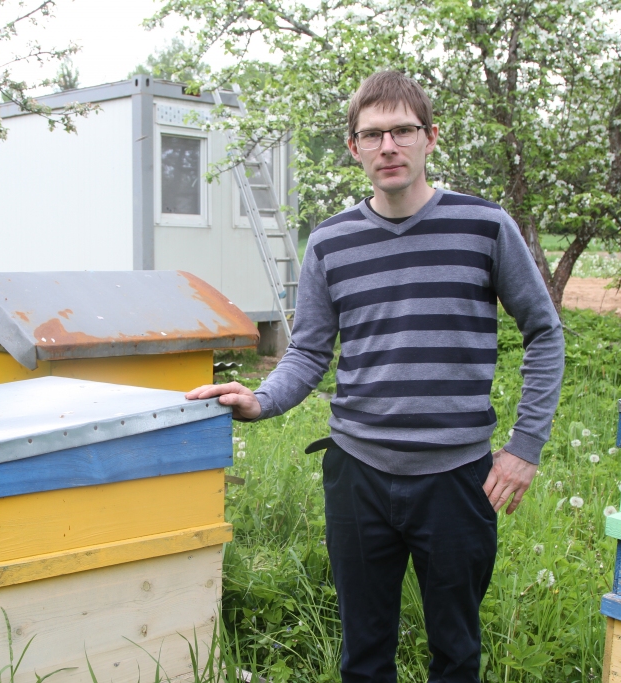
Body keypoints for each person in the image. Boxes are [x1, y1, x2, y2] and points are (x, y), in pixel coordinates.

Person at [186, 70, 564, 683]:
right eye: (372, 134)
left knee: (457, 652)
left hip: (458, 480)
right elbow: (308, 351)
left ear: (429, 138)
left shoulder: (486, 227)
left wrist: (524, 450)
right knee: (363, 656)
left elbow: (544, 333)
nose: (388, 146)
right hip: (357, 476)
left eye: (402, 131)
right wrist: (260, 400)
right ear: (354, 148)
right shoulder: (330, 243)